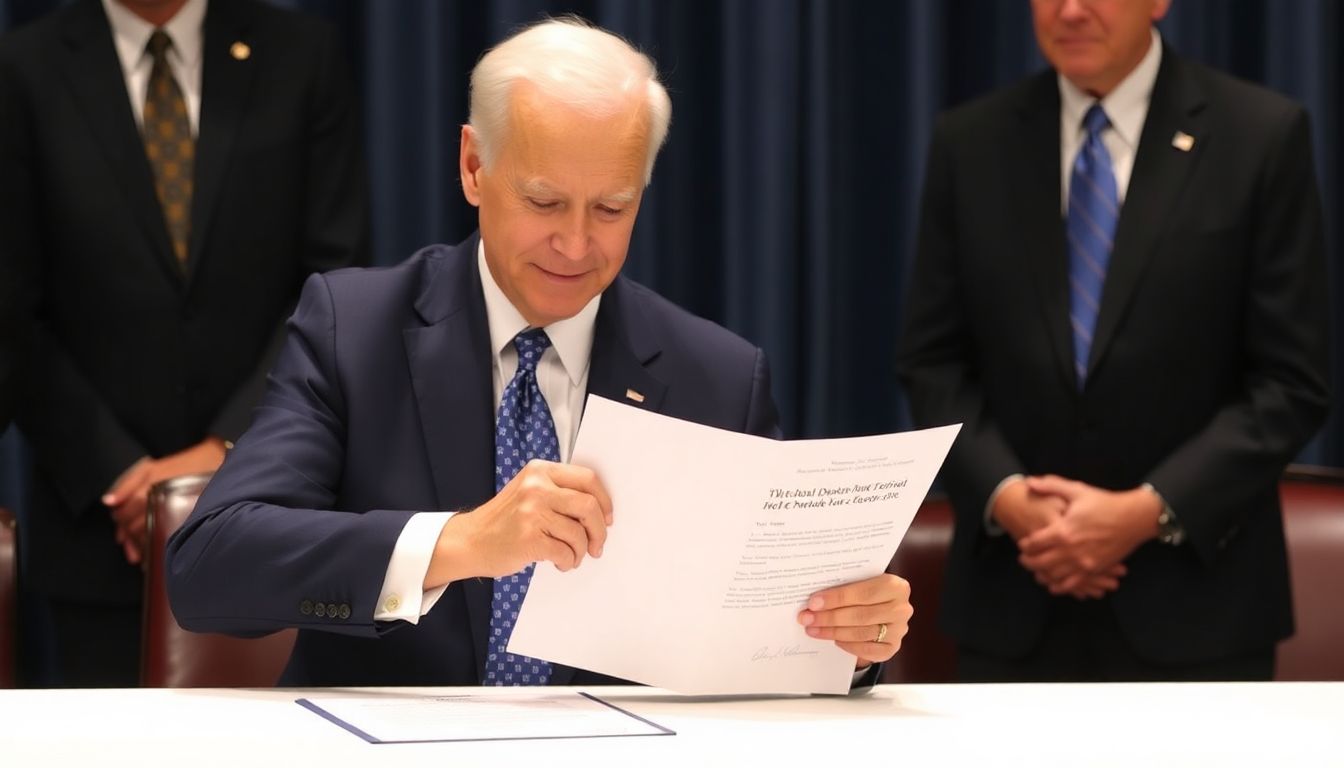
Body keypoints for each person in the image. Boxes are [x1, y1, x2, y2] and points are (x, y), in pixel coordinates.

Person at [166, 17, 911, 689]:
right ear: (473, 167)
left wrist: (853, 640)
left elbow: (767, 631)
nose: (576, 244)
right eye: (544, 202)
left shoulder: (716, 377)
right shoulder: (352, 329)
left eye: (611, 208)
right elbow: (209, 568)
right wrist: (457, 543)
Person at [898, 0, 1330, 682]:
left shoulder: (1259, 134)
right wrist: (1011, 499)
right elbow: (933, 362)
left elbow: (1291, 382)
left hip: (1197, 603)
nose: (1070, 10)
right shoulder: (972, 141)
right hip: (1013, 599)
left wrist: (1144, 511)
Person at [0, 0, 368, 686]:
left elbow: (334, 286)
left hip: (276, 518)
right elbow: (12, 315)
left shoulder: (299, 55)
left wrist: (228, 452)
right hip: (95, 531)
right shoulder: (23, 70)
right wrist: (119, 473)